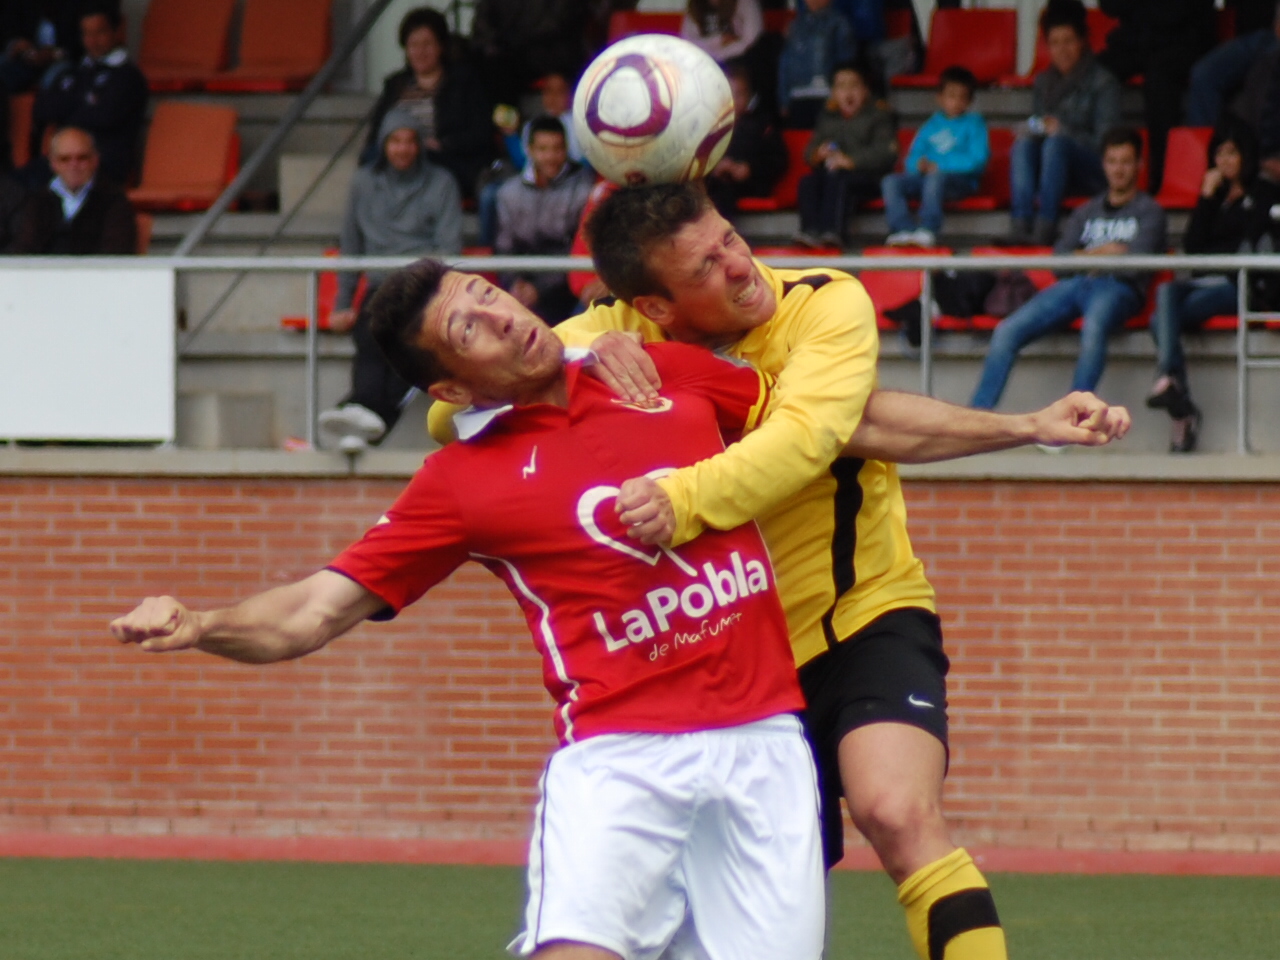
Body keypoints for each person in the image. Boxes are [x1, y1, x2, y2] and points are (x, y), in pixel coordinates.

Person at [429, 181, 1132, 960]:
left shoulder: (825, 304)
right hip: (739, 667)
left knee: (896, 809)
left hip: (864, 610)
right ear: (655, 308)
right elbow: (446, 409)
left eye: (731, 238)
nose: (740, 267)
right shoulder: (613, 330)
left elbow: (818, 434)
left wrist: (679, 497)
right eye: (705, 267)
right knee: (740, 920)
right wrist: (579, 348)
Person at [112, 258, 828, 960]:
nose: (500, 315)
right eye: (468, 327)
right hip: (621, 758)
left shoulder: (648, 369)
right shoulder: (459, 483)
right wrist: (203, 625)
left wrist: (944, 431)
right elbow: (313, 611)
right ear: (453, 385)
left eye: (487, 294)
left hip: (765, 745)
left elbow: (831, 426)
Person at [973, 126, 1166, 410]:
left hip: (1118, 290)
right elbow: (1060, 262)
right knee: (1006, 331)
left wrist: (1086, 257)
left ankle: (1070, 420)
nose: (1118, 169)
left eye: (1126, 162)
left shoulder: (1150, 211)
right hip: (1075, 285)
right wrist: (1109, 252)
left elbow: (1135, 265)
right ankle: (978, 418)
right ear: (1103, 164)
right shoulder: (1086, 210)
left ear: (1139, 165)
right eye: (1112, 161)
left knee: (1093, 328)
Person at [318, 107, 462, 454]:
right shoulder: (363, 183)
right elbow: (351, 247)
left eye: (410, 141)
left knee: (406, 346)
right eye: (395, 141)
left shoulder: (442, 183)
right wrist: (342, 304)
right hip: (380, 285)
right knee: (370, 336)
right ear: (383, 145)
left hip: (423, 287)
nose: (402, 149)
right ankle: (365, 423)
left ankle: (354, 418)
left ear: (420, 145)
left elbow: (449, 248)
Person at [1147, 123, 1260, 453]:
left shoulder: (1263, 194)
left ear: (1245, 156)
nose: (1225, 161)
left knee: (1159, 320)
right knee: (1165, 294)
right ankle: (1174, 388)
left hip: (1237, 284)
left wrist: (1214, 254)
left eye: (1232, 153)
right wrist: (1206, 199)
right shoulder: (1214, 196)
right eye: (1219, 154)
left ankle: (1174, 391)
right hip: (1205, 280)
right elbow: (1193, 249)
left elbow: (1249, 243)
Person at [1008, 0, 1122, 245]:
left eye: (1068, 41)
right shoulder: (1043, 82)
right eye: (1055, 43)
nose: (1062, 50)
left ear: (1082, 42)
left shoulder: (1104, 83)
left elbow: (1107, 145)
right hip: (1053, 170)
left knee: (1056, 143)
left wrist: (1063, 133)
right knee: (1024, 144)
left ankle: (1045, 227)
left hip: (1091, 170)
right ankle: (1020, 224)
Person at [362, 7, 493, 201]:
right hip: (400, 158)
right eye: (413, 45)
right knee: (370, 158)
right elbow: (376, 135)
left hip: (445, 159)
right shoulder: (395, 85)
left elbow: (481, 133)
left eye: (427, 44)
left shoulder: (463, 81)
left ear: (441, 46)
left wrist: (441, 144)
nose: (420, 52)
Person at [1096, 0, 1216, 194]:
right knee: (1094, 70)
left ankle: (1160, 176)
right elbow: (1110, 5)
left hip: (1183, 40)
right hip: (1136, 39)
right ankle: (1094, 169)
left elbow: (1180, 11)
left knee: (1159, 82)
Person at [27, 3, 146, 189]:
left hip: (102, 168)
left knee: (33, 190)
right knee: (12, 187)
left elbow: (105, 117)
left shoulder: (128, 77)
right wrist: (83, 104)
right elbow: (43, 109)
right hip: (61, 164)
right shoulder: (73, 72)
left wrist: (68, 108)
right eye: (87, 34)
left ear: (117, 31)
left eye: (100, 32)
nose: (93, 40)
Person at [494, 116, 595, 326]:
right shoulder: (508, 192)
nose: (550, 157)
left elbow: (576, 249)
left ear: (566, 148)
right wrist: (515, 282)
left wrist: (539, 289)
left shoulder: (585, 188)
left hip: (567, 291)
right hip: (522, 290)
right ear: (529, 150)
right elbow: (504, 247)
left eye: (557, 149)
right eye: (542, 149)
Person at [882, 65, 988, 248]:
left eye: (962, 97)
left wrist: (939, 165)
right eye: (951, 96)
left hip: (959, 183)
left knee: (935, 177)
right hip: (927, 180)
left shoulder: (975, 124)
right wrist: (919, 165)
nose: (955, 102)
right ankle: (902, 230)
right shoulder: (930, 125)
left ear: (969, 101)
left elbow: (978, 159)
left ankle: (928, 230)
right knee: (891, 181)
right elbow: (913, 157)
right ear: (940, 98)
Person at [794, 59, 897, 248]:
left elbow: (885, 153)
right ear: (833, 93)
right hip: (833, 174)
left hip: (869, 177)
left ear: (866, 90)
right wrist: (819, 154)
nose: (848, 93)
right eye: (841, 87)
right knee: (808, 182)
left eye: (854, 86)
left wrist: (850, 161)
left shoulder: (879, 115)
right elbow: (809, 152)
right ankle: (810, 232)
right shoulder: (828, 116)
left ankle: (832, 233)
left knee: (839, 180)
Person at [480, 71, 586, 249]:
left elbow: (580, 165)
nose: (553, 97)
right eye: (548, 91)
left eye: (559, 92)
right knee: (491, 193)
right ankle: (484, 250)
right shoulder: (533, 124)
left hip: (568, 184)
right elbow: (523, 163)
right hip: (530, 184)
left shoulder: (579, 124)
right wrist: (511, 136)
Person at [12, 126, 134, 255]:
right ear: (53, 163)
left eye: (82, 158)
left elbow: (115, 254)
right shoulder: (38, 201)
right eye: (65, 159)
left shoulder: (114, 201)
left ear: (95, 160)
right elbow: (24, 251)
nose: (73, 165)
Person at [704, 59, 788, 220]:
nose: (733, 100)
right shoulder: (710, 126)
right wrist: (715, 168)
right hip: (716, 182)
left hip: (752, 183)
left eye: (739, 94)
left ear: (749, 95)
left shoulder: (763, 124)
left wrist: (749, 169)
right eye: (728, 94)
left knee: (723, 193)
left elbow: (778, 160)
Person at [1185, 0, 1280, 129]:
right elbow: (1220, 4)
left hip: (1275, 35)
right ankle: (1207, 144)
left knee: (1265, 73)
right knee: (1203, 74)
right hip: (1255, 35)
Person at [776, 0, 857, 129]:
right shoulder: (795, 26)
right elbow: (785, 64)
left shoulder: (840, 24)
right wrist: (784, 99)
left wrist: (840, 94)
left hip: (826, 96)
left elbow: (845, 64)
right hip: (797, 97)